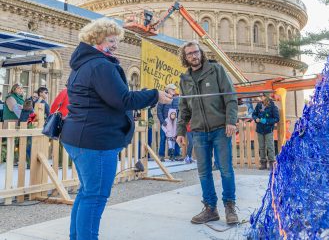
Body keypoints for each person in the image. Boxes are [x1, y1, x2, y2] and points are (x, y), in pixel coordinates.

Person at [60, 18, 172, 240]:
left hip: (80, 137)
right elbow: (122, 99)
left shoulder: (84, 64)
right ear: (97, 39)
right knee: (95, 196)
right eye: (111, 40)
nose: (115, 44)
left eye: (116, 40)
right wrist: (155, 95)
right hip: (96, 141)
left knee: (87, 193)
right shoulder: (101, 65)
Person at [176, 41, 239, 225]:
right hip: (198, 132)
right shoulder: (184, 80)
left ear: (201, 53)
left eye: (196, 52)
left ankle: (230, 206)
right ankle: (210, 209)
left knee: (225, 170)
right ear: (185, 57)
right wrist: (180, 130)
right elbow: (184, 107)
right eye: (189, 54)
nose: (194, 56)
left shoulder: (216, 70)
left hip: (220, 129)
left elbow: (230, 97)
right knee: (204, 172)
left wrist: (231, 121)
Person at [252, 92, 279, 170]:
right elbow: (254, 114)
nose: (261, 97)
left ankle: (271, 163)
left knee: (270, 147)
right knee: (261, 147)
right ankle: (263, 163)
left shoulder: (273, 106)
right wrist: (256, 118)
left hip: (268, 129)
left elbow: (276, 119)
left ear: (267, 97)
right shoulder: (259, 105)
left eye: (263, 96)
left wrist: (266, 121)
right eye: (261, 96)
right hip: (260, 129)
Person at [157, 84, 181, 161]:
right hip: (165, 123)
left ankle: (176, 155)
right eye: (172, 89)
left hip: (175, 123)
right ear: (168, 90)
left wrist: (179, 122)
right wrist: (162, 121)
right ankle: (161, 155)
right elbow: (159, 111)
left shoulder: (177, 98)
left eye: (174, 89)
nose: (174, 90)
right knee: (163, 138)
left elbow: (180, 110)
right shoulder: (163, 98)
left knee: (176, 138)